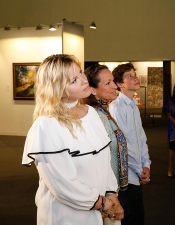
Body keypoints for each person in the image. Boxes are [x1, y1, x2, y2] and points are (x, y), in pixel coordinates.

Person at [22, 54, 123, 225]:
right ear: (57, 89)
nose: (84, 80)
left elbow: (105, 162)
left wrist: (112, 195)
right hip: (66, 216)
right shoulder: (47, 125)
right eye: (74, 80)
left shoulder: (91, 114)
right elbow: (63, 185)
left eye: (81, 73)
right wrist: (104, 204)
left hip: (98, 210)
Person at [84, 64, 129, 225]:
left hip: (109, 190)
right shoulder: (94, 116)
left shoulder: (102, 111)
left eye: (113, 82)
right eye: (108, 83)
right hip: (102, 194)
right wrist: (108, 198)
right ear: (93, 90)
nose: (115, 86)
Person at [109, 63, 151, 225]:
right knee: (130, 218)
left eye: (135, 74)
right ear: (119, 84)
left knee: (138, 216)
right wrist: (140, 169)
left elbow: (141, 139)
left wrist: (146, 164)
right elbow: (123, 146)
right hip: (126, 177)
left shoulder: (133, 105)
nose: (135, 78)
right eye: (129, 76)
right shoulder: (117, 108)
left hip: (136, 172)